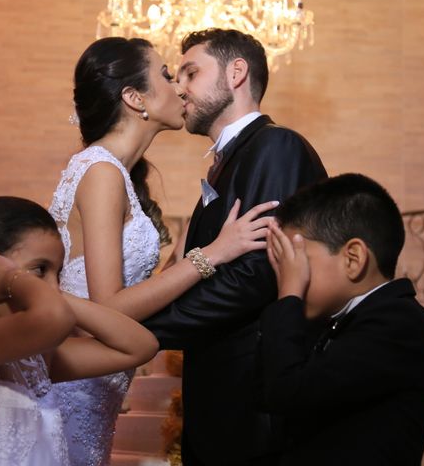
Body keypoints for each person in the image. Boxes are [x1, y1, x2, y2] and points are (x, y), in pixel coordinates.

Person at [49, 36, 279, 466]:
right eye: (168, 75)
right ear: (135, 98)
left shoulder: (116, 173)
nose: (180, 88)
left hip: (98, 391)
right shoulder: (100, 171)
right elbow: (109, 307)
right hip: (74, 391)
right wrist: (211, 254)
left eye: (186, 74)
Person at [141, 29, 328, 466]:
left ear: (237, 72)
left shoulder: (276, 145)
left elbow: (259, 272)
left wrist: (149, 329)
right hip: (223, 396)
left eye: (191, 72)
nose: (179, 87)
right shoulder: (231, 161)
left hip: (256, 402)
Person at [0, 196, 159, 466]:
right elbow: (54, 318)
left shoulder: (36, 359)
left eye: (57, 273)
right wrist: (12, 279)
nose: (53, 286)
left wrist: (41, 285)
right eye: (40, 269)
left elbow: (140, 345)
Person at [261, 173, 424, 466]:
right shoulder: (341, 319)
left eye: (298, 262)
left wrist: (290, 293)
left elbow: (289, 392)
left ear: (353, 258)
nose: (288, 274)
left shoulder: (396, 322)